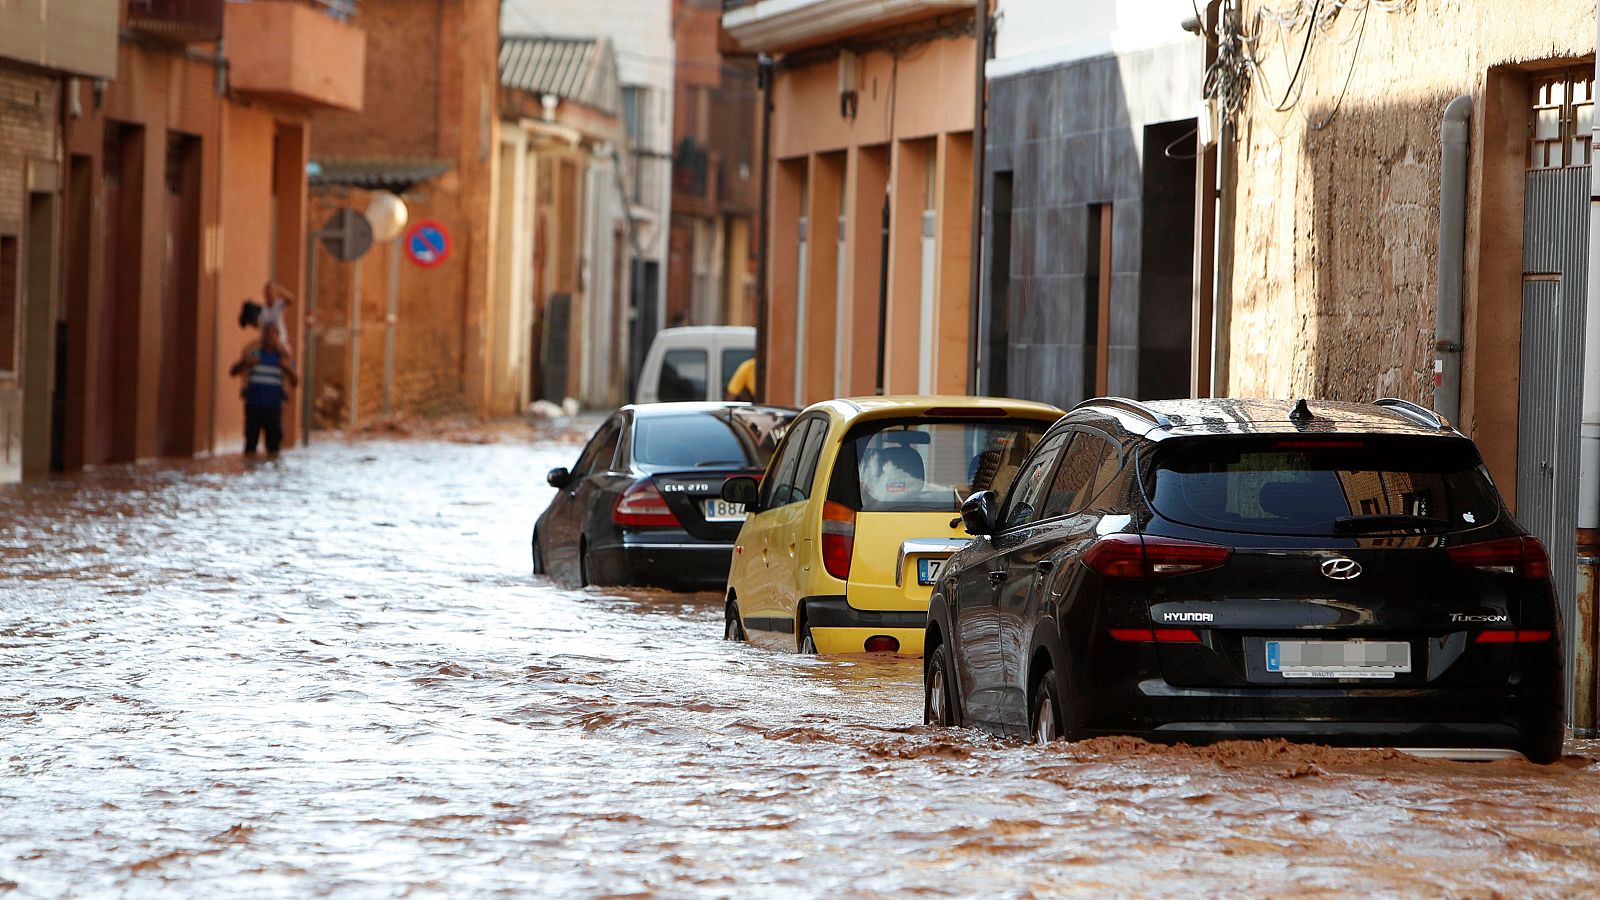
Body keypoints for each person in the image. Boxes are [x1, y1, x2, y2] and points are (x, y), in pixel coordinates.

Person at [228, 326, 298, 456]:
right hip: (253, 406)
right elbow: (233, 371)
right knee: (250, 442)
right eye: (267, 336)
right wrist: (245, 363)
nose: (269, 339)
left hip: (273, 407)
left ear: (278, 338)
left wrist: (287, 368)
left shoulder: (284, 357)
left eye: (273, 336)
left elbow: (295, 381)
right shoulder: (253, 354)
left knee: (273, 445)